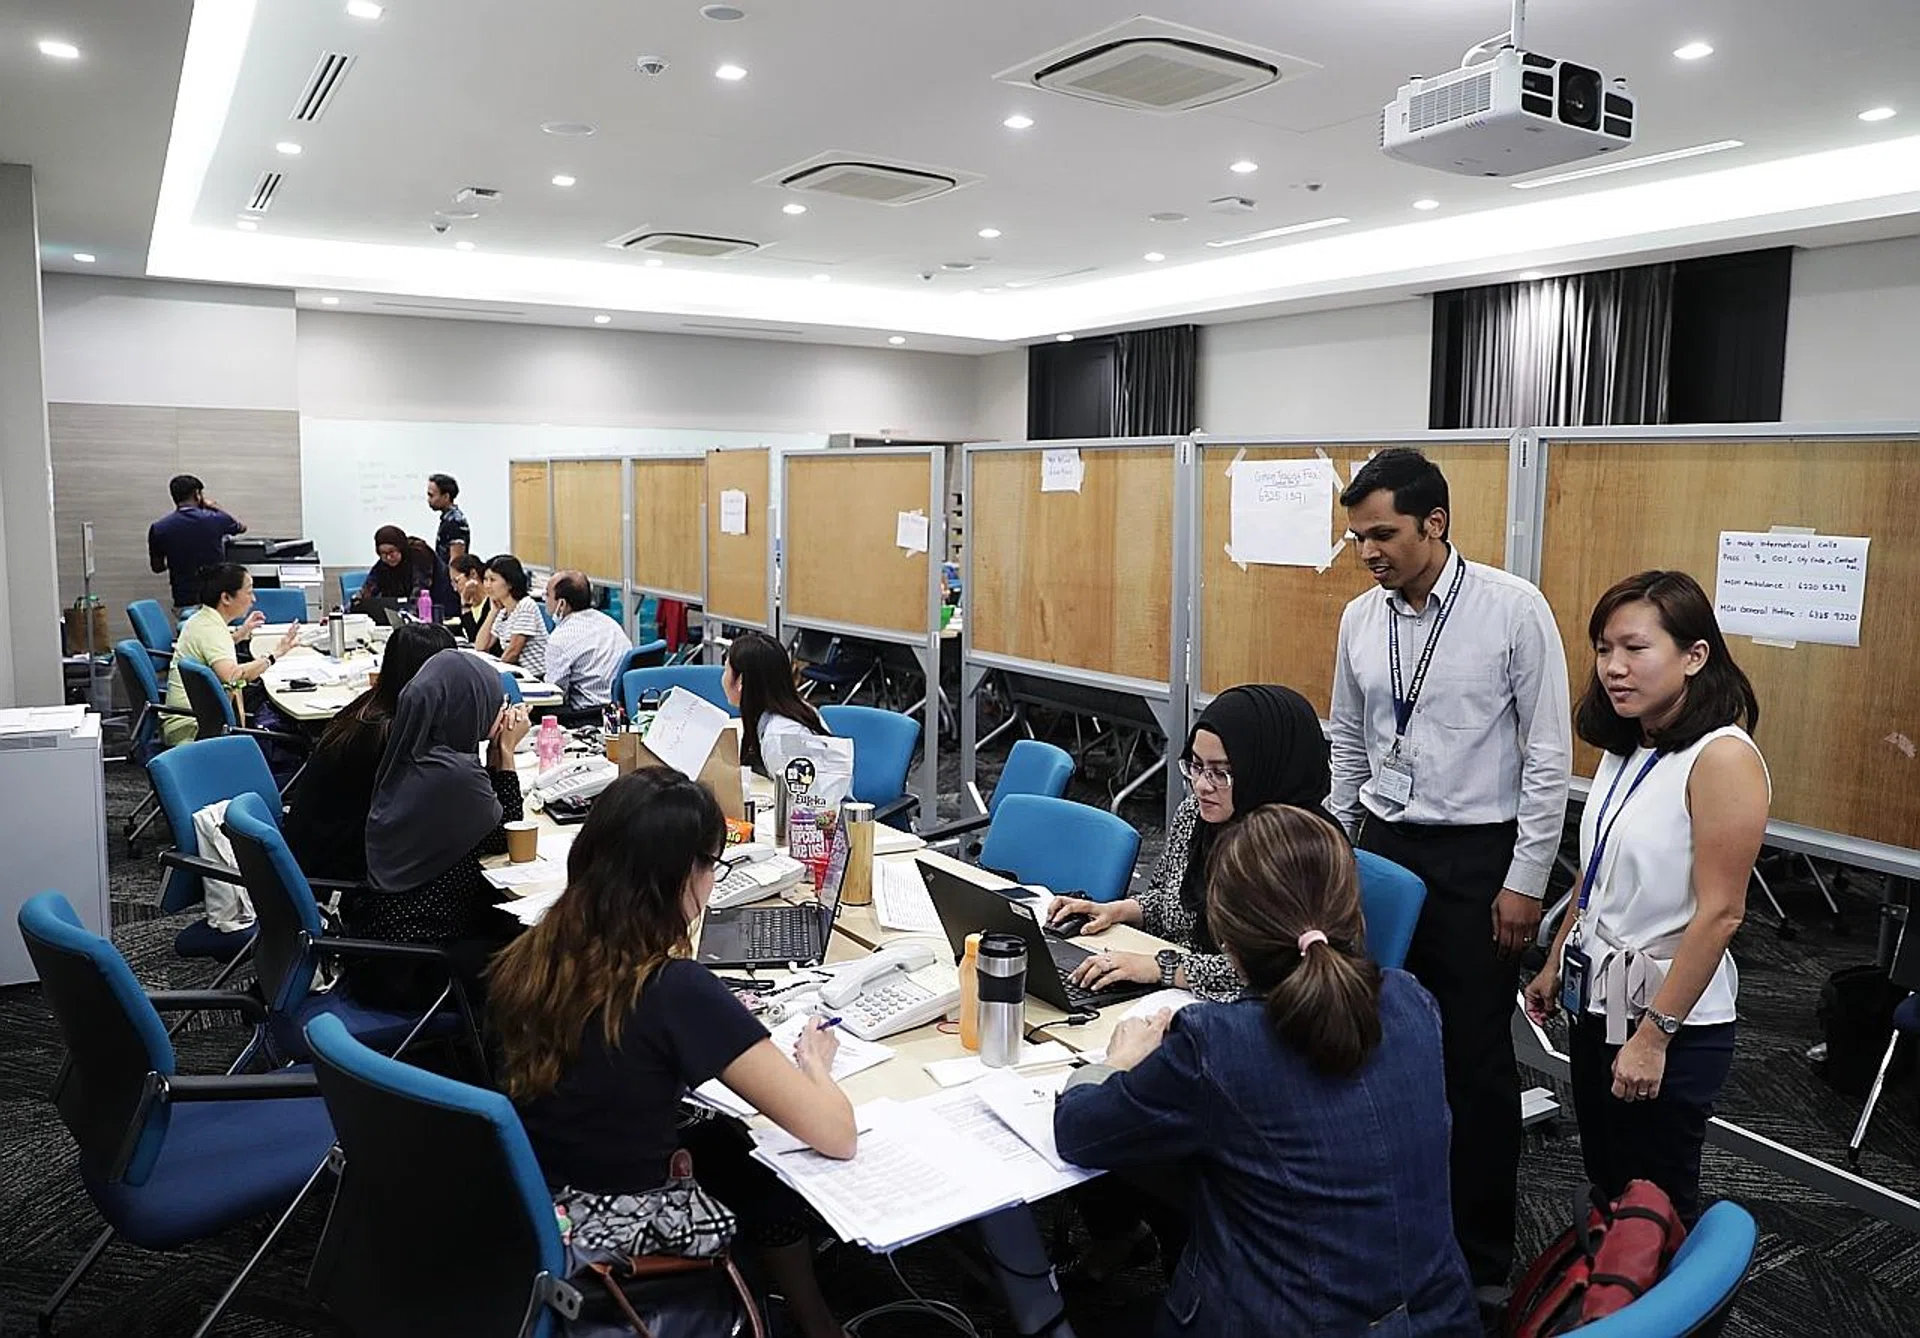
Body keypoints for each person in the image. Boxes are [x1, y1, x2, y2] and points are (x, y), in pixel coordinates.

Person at [1053, 805, 1476, 1337]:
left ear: (1225, 939)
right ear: (1354, 915)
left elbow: (1079, 1132)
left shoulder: (1218, 1044)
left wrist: (1117, 1061)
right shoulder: (1411, 1001)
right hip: (1439, 1320)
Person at [1326, 446, 1571, 1314]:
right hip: (1386, 844)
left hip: (1478, 860)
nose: (1369, 553)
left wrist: (1526, 880)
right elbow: (1347, 740)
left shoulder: (1513, 609)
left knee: (1472, 1059)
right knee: (1376, 1038)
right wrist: (1338, 850)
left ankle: (1480, 1257)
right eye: (1358, 538)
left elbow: (1548, 757)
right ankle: (1389, 1221)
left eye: (1383, 534)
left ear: (1435, 523)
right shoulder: (1361, 618)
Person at [491, 770, 855, 1338]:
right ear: (685, 874)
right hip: (613, 1228)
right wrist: (814, 1062)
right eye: (713, 865)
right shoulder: (672, 989)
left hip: (532, 1202)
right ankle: (812, 1322)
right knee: (764, 1167)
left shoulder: (535, 951)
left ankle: (808, 1315)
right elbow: (836, 1134)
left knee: (727, 1142)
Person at [1525, 571, 1767, 1225]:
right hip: (1600, 1002)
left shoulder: (1722, 758)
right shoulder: (1632, 742)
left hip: (1669, 1019)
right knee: (1607, 1180)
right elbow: (1597, 870)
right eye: (1604, 649)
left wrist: (1655, 1037)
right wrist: (1556, 959)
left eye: (1635, 648)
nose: (1613, 667)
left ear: (1695, 656)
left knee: (1654, 1205)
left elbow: (1722, 913)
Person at [1051, 684, 1344, 1003]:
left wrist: (1164, 969)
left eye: (1221, 772)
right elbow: (1171, 902)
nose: (1202, 785)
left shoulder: (1306, 848)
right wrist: (1115, 910)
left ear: (1264, 768)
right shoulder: (1196, 814)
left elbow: (1276, 969)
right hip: (1178, 995)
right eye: (1195, 765)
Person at [348, 653, 530, 1011]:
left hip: (386, 942)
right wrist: (506, 753)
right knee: (543, 959)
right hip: (418, 964)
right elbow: (507, 835)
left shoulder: (418, 752)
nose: (500, 711)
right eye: (495, 703)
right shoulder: (454, 776)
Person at [282, 622, 457, 883]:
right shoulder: (390, 733)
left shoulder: (373, 706)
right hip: (343, 871)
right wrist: (502, 756)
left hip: (321, 852)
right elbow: (443, 811)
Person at [161, 563, 301, 746]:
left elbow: (213, 648)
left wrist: (241, 633)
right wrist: (275, 654)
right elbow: (233, 676)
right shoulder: (211, 630)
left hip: (195, 718)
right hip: (193, 729)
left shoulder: (202, 619)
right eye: (249, 592)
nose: (253, 599)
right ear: (226, 598)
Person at [723, 630, 829, 776]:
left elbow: (794, 789)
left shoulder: (780, 736)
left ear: (741, 680)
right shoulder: (798, 710)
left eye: (726, 670)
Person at [148, 475, 245, 612]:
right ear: (197, 494)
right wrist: (215, 507)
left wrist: (178, 559)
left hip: (184, 599)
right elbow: (241, 527)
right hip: (215, 600)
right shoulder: (215, 519)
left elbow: (157, 567)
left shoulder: (159, 528)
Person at [543, 570, 631, 716]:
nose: (544, 599)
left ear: (562, 604)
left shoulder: (560, 639)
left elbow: (555, 694)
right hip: (619, 710)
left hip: (584, 715)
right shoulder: (610, 624)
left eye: (547, 594)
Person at [351, 525, 458, 620]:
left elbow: (420, 589)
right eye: (383, 553)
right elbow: (368, 588)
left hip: (442, 608)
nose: (388, 557)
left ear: (400, 548)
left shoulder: (420, 554)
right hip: (410, 612)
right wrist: (354, 604)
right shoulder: (383, 564)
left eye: (391, 552)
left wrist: (408, 615)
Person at [474, 553, 548, 678]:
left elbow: (513, 652)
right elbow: (481, 646)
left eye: (492, 580)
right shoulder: (503, 611)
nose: (487, 585)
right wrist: (493, 612)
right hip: (519, 674)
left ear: (509, 583)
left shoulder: (526, 605)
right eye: (485, 579)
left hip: (536, 677)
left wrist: (494, 675)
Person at [427, 473, 470, 565]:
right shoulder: (448, 519)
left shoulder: (455, 522)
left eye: (431, 495)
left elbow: (456, 561)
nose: (428, 500)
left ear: (446, 496)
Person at [449, 553, 490, 642]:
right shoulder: (461, 601)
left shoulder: (492, 604)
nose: (455, 589)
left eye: (456, 581)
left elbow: (475, 639)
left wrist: (466, 607)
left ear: (473, 574)